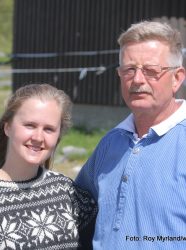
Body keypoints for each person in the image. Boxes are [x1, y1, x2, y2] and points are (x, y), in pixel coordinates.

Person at [0, 83, 97, 250]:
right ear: (8, 127)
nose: (38, 137)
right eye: (30, 125)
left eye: (49, 129)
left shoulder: (69, 194)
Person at [75, 21, 186, 249]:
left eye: (151, 71)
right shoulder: (111, 143)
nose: (137, 80)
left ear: (177, 78)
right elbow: (78, 210)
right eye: (128, 70)